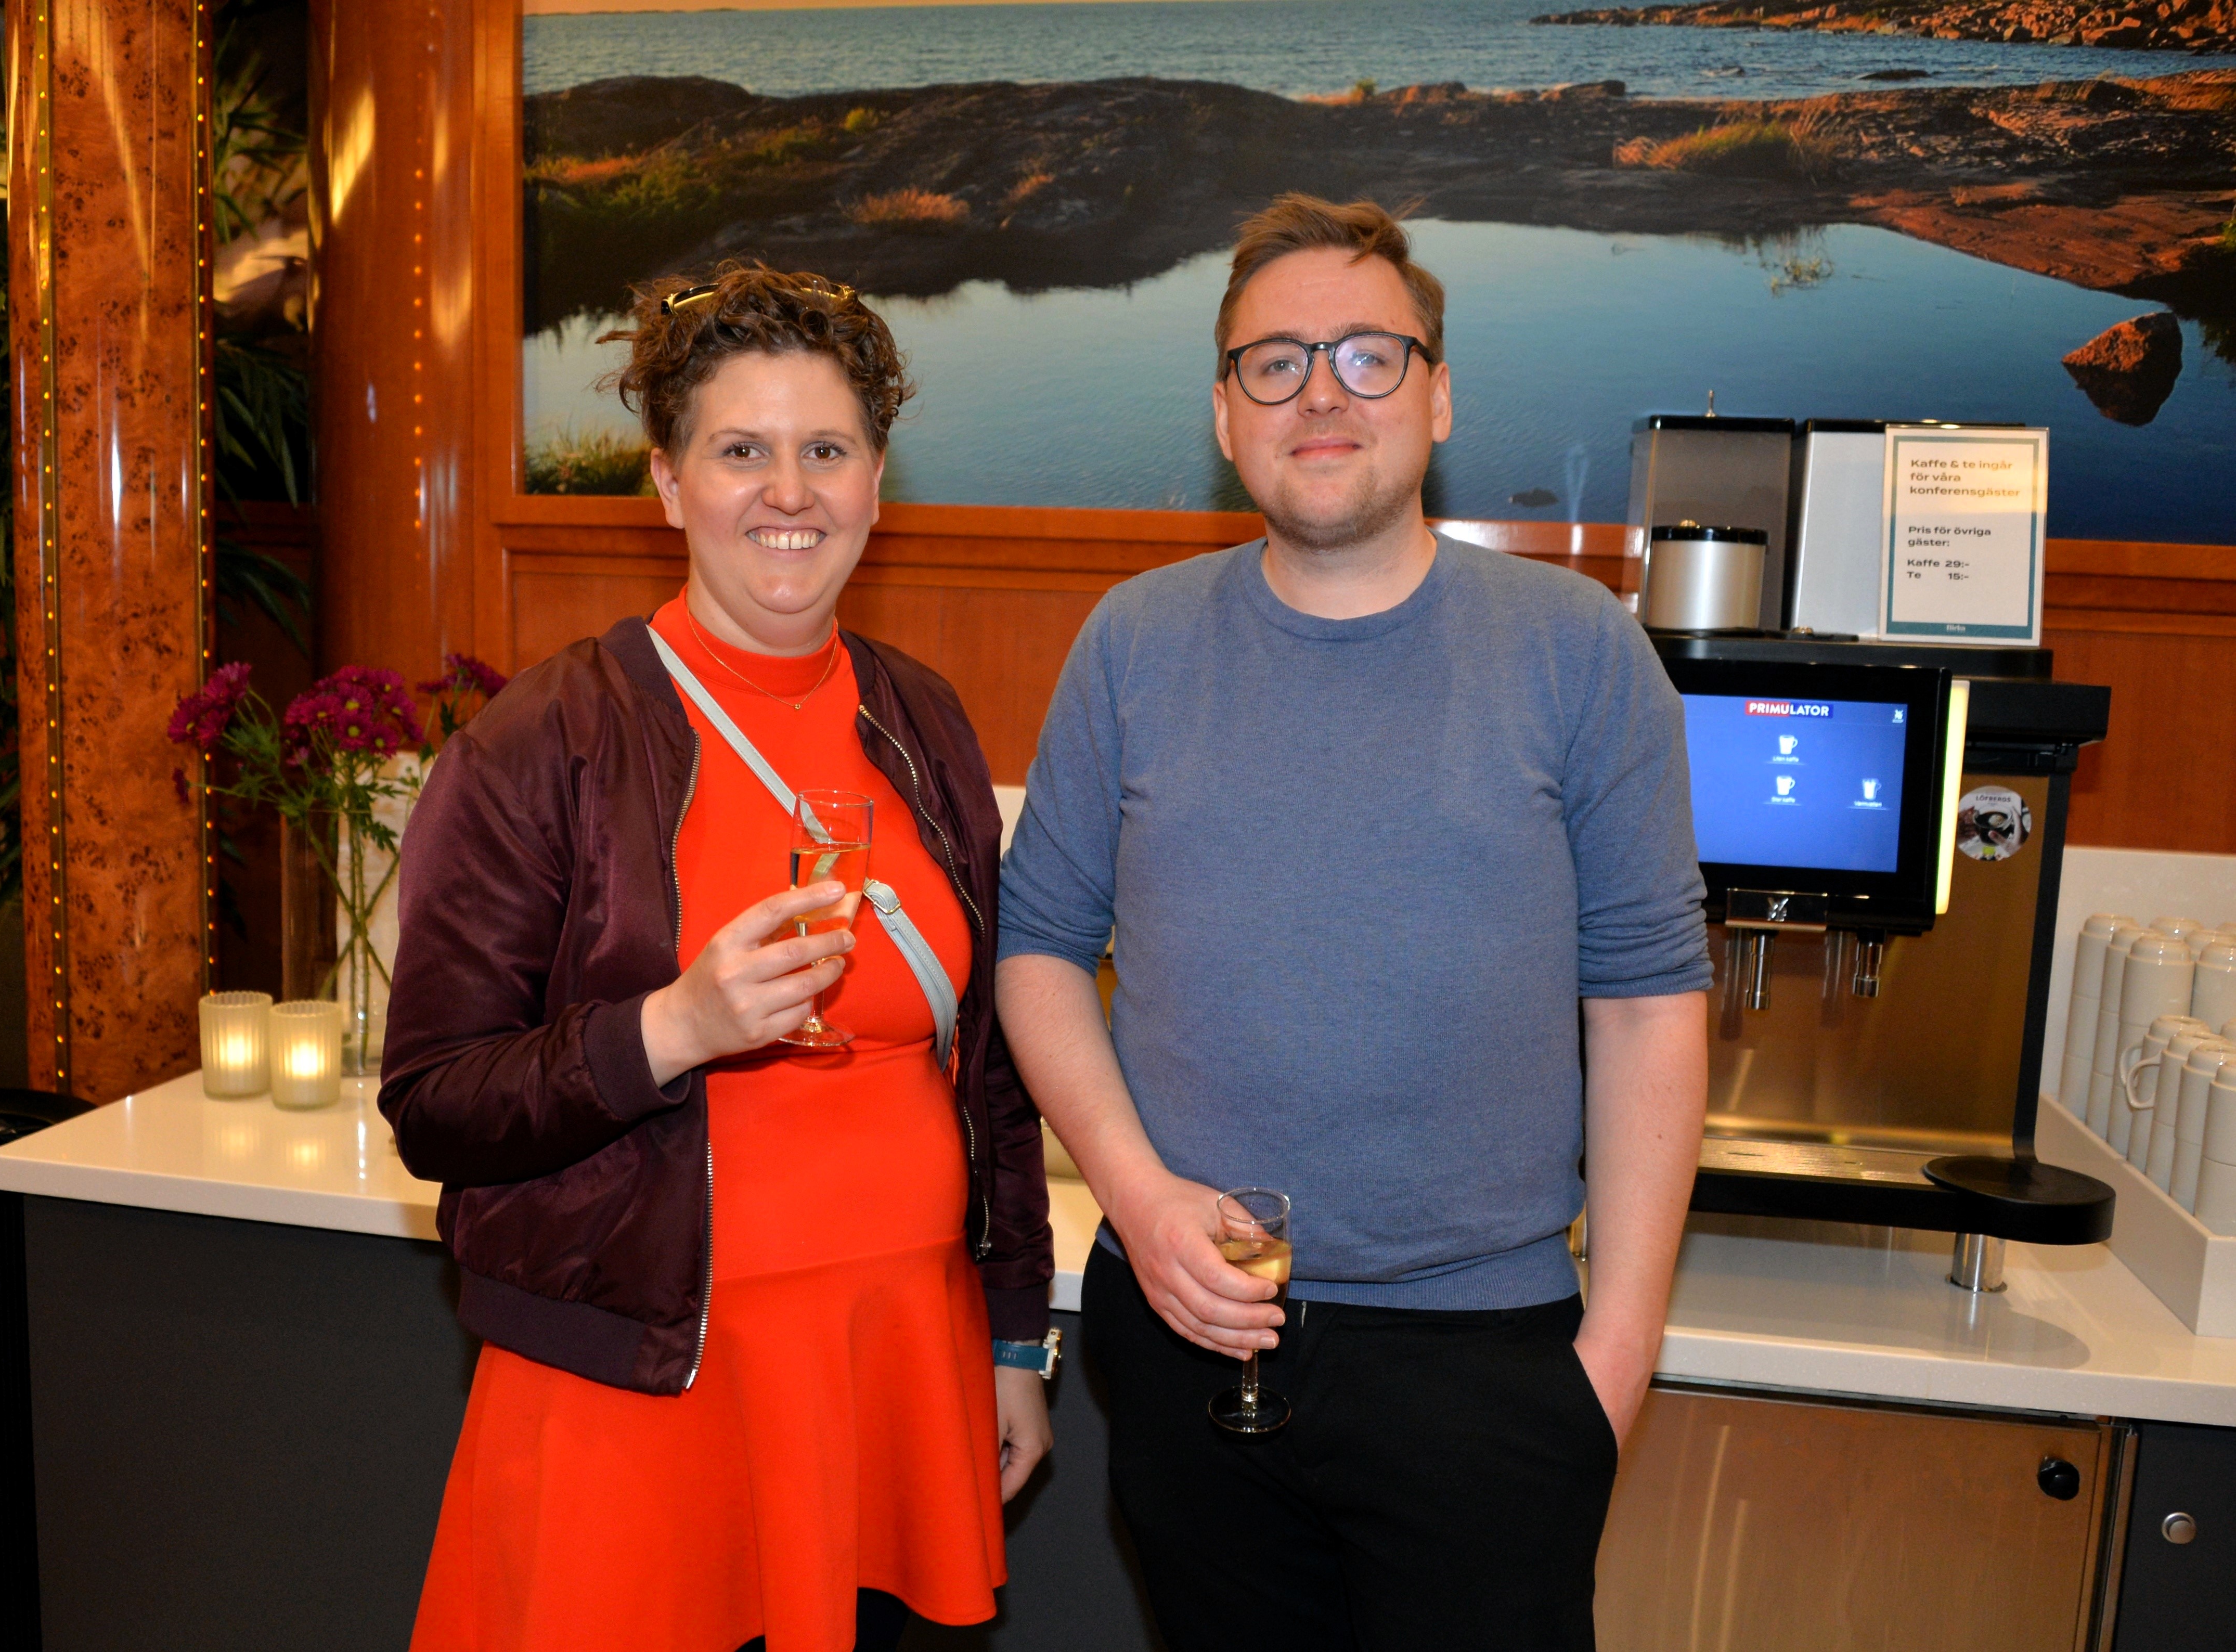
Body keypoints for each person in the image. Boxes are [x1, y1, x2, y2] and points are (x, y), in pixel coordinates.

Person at [994, 194, 1712, 1650]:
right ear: (1225, 414)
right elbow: (1039, 952)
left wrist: (1618, 1354)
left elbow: (1648, 1000)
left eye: (1368, 356)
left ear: (1438, 396)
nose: (1321, 393)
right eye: (1275, 363)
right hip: (1191, 1336)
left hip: (1489, 1362)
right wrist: (1137, 1195)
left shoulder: (1579, 650)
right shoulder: (1132, 643)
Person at [380, 262, 1054, 1652]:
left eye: (828, 452)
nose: (789, 492)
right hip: (642, 1384)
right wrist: (670, 1030)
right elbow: (435, 1102)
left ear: (877, 483)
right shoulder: (544, 741)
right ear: (668, 483)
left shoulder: (924, 723)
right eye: (741, 451)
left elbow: (987, 1075)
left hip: (893, 1363)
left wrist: (1010, 1339)